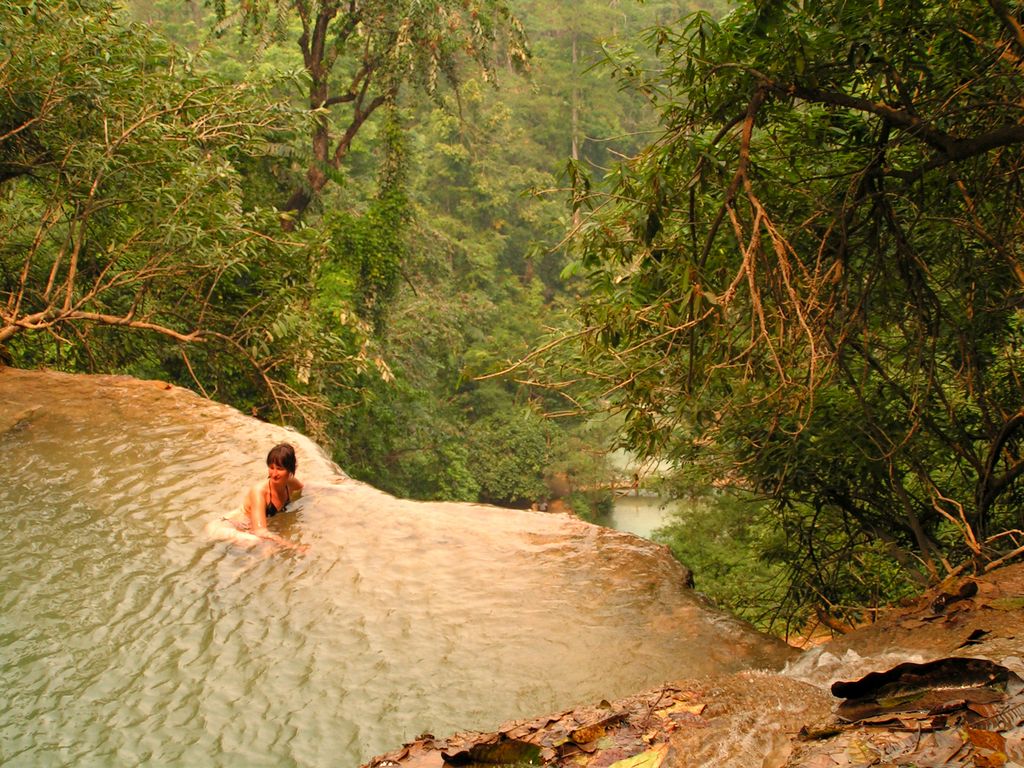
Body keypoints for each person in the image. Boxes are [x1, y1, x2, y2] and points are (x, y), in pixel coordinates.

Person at [213, 442, 307, 552]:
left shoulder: (290, 483)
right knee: (259, 541)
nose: (274, 473)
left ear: (290, 470)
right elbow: (260, 532)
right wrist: (293, 547)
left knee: (268, 548)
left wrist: (331, 488)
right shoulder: (259, 492)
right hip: (224, 527)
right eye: (271, 468)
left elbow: (307, 488)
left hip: (244, 529)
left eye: (280, 469)